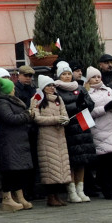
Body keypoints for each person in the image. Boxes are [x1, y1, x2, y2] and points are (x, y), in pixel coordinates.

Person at [53, 61, 96, 203]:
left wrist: (84, 103)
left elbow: (90, 105)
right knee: (71, 161)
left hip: (82, 127)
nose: (67, 77)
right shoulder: (56, 89)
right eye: (64, 74)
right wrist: (74, 108)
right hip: (68, 128)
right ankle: (71, 191)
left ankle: (80, 190)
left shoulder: (80, 88)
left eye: (68, 74)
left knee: (82, 160)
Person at [0, 75, 33, 211]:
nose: (14, 89)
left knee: (18, 170)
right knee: (9, 170)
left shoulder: (12, 101)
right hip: (9, 140)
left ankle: (19, 196)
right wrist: (27, 115)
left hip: (18, 140)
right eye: (12, 88)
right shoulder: (1, 103)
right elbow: (10, 118)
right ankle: (7, 198)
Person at [30, 74, 72, 207]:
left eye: (53, 85)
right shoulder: (37, 98)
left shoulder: (58, 99)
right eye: (49, 85)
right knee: (49, 167)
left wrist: (65, 120)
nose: (52, 87)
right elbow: (36, 118)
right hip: (46, 137)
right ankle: (50, 196)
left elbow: (64, 114)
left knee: (60, 168)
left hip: (59, 136)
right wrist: (55, 119)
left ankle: (57, 195)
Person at [84, 66, 112, 199]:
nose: (96, 79)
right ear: (89, 80)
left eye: (98, 76)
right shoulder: (87, 93)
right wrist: (104, 108)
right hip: (99, 129)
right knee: (105, 162)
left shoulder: (108, 89)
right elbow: (88, 112)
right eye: (93, 77)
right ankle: (106, 189)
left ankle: (111, 188)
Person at [13, 63, 39, 201]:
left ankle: (32, 188)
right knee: (24, 161)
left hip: (33, 128)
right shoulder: (16, 90)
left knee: (33, 160)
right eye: (26, 75)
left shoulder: (33, 90)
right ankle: (25, 191)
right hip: (23, 128)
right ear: (19, 76)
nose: (28, 78)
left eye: (30, 76)